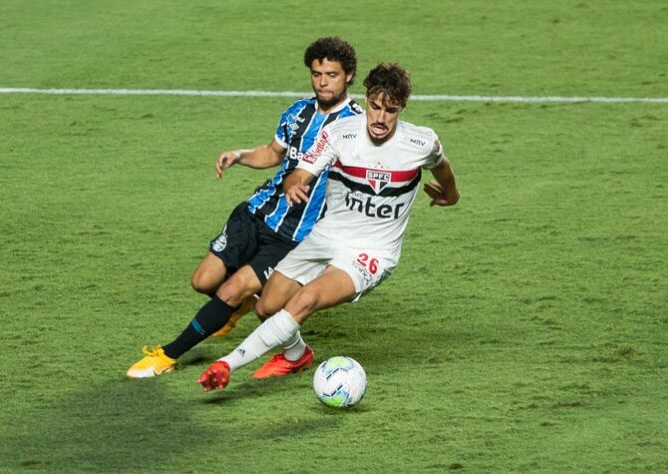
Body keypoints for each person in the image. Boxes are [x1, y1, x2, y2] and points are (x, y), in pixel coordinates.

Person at [197, 62, 460, 391]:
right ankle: (297, 354)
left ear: (401, 108)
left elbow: (442, 165)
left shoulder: (420, 142)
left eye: (390, 111)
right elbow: (302, 170)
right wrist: (295, 183)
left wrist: (451, 193)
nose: (380, 118)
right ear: (366, 100)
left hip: (370, 252)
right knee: (267, 305)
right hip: (327, 236)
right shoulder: (340, 133)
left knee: (305, 300)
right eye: (375, 107)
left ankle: (227, 364)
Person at [127, 37, 363, 378]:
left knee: (232, 288)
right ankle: (240, 305)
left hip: (294, 236)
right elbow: (272, 153)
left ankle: (166, 355)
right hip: (257, 212)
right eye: (316, 74)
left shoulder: (356, 126)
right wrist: (239, 155)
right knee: (203, 280)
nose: (323, 82)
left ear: (349, 76)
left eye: (331, 74)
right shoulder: (298, 112)